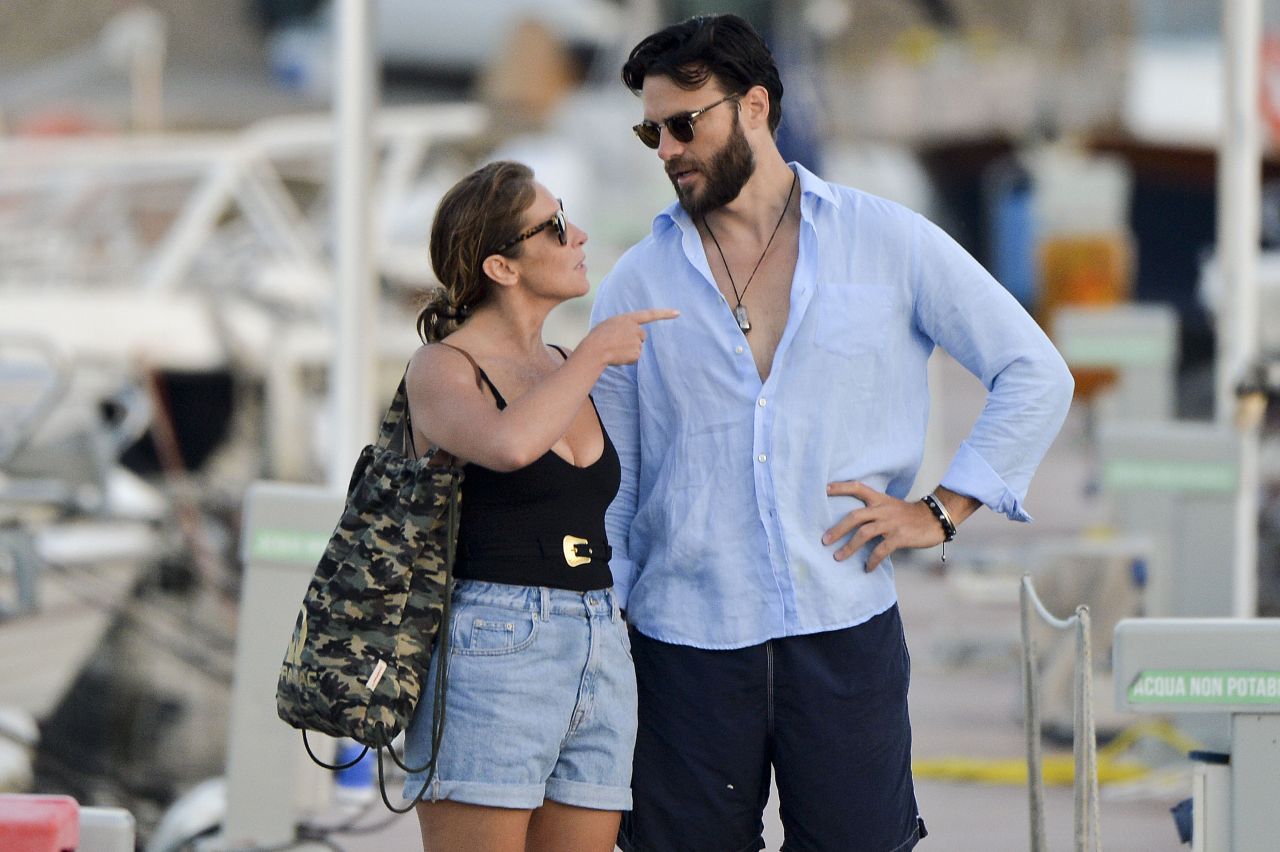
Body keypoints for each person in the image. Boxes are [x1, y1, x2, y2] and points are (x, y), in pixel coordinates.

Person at [588, 15, 1075, 852]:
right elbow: (619, 481)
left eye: (683, 124)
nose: (665, 149)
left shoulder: (885, 241)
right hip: (684, 647)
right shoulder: (637, 280)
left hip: (844, 631)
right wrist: (601, 642)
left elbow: (1034, 371)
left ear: (754, 108)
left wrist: (941, 511)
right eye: (650, 131)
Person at [400, 160, 678, 852]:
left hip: (598, 639)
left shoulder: (560, 362)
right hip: (494, 644)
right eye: (554, 225)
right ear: (502, 266)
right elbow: (506, 444)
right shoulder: (442, 367)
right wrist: (593, 356)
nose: (578, 234)